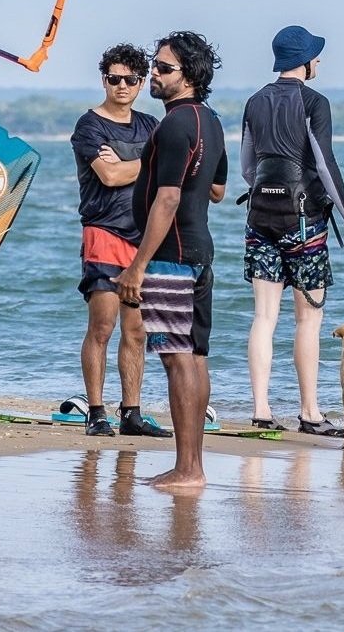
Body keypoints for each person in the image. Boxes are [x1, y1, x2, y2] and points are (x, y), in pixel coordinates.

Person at [239, 25, 344, 437]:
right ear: (305, 61)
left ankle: (260, 409)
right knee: (307, 321)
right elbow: (324, 163)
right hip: (303, 220)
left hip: (259, 217)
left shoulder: (255, 102)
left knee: (263, 317)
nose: (319, 61)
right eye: (316, 55)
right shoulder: (314, 102)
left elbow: (246, 167)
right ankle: (309, 412)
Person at [117, 32, 227, 489]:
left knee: (177, 359)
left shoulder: (173, 126)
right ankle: (193, 466)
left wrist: (137, 266)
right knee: (195, 357)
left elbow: (166, 198)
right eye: (155, 67)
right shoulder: (211, 121)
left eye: (163, 69)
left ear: (189, 76)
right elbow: (217, 190)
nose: (153, 76)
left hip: (172, 255)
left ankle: (188, 469)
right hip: (199, 247)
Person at [70, 44, 169, 439]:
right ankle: (96, 412)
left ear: (142, 83)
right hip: (103, 232)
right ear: (104, 80)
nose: (122, 86)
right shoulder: (89, 125)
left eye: (131, 79)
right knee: (102, 327)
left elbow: (165, 176)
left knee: (137, 331)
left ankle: (132, 412)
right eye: (115, 79)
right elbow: (108, 178)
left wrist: (131, 162)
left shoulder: (151, 125)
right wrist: (147, 162)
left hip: (143, 238)